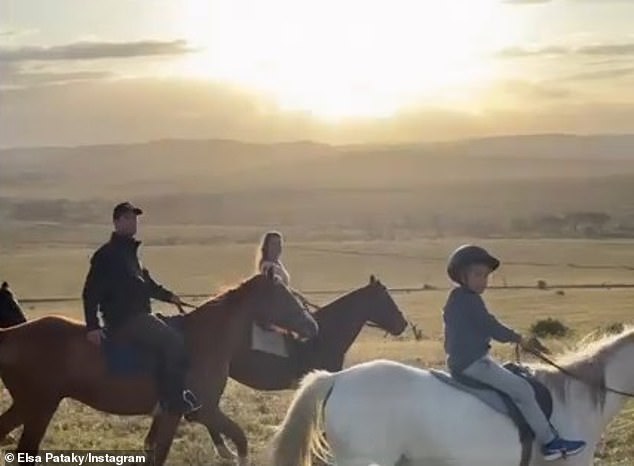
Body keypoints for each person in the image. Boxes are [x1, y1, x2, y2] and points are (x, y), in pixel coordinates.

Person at [442, 244, 586, 461]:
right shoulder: (468, 300)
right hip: (472, 363)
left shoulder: (459, 297)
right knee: (522, 390)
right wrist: (518, 338)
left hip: (466, 360)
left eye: (486, 276)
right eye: (478, 275)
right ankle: (550, 443)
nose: (484, 281)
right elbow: (489, 325)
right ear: (462, 276)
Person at [82, 201, 201, 415]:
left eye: (134, 218)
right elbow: (90, 292)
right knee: (173, 341)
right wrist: (92, 326)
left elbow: (147, 285)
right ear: (116, 222)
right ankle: (172, 400)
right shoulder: (106, 255)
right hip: (125, 320)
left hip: (139, 316)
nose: (133, 222)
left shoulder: (131, 254)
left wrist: (170, 296)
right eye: (127, 218)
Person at [255, 231, 312, 310]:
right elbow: (277, 289)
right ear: (267, 247)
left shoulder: (277, 263)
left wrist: (298, 295)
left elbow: (284, 286)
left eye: (279, 244)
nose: (277, 247)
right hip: (279, 307)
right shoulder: (267, 266)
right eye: (274, 244)